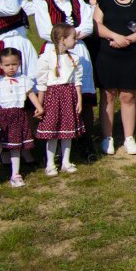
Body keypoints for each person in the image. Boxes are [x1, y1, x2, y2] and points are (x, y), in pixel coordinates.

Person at [94, 0, 136, 155]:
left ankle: (129, 138)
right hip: (107, 54)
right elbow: (97, 25)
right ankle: (107, 137)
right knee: (107, 95)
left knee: (128, 96)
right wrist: (114, 36)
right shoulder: (105, 2)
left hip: (130, 55)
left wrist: (127, 40)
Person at [35, 22, 83, 176]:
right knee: (53, 131)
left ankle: (66, 161)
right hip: (53, 96)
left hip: (69, 95)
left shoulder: (74, 58)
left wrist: (79, 100)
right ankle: (50, 163)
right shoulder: (46, 57)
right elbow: (42, 83)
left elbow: (77, 81)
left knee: (67, 130)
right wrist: (40, 104)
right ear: (63, 39)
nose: (76, 40)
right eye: (73, 38)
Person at [0, 47, 41, 187]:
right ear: (0, 65)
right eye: (7, 65)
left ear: (19, 63)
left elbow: (31, 94)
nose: (11, 68)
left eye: (14, 64)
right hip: (3, 116)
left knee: (16, 146)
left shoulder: (23, 79)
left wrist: (39, 107)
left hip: (18, 115)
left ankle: (15, 174)